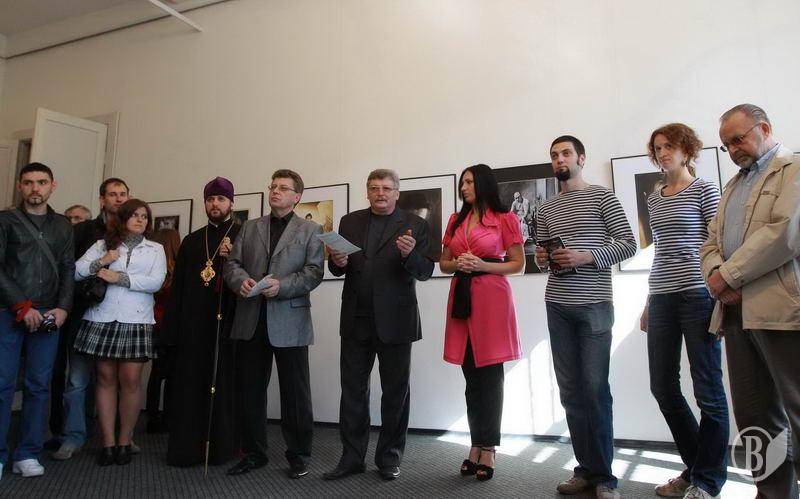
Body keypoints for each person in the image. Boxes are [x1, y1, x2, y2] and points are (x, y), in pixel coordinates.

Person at [700, 104, 800, 498]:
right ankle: (772, 493)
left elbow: (784, 234)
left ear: (765, 128)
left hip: (781, 311)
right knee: (755, 418)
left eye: (738, 139)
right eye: (726, 145)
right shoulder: (733, 185)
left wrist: (727, 276)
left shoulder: (793, 169)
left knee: (797, 410)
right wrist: (715, 274)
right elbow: (711, 240)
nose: (732, 150)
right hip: (735, 313)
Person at [534, 136, 636, 499]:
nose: (559, 159)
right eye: (554, 155)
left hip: (594, 305)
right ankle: (585, 470)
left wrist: (585, 256)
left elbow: (628, 243)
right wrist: (542, 259)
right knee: (570, 392)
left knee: (595, 391)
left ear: (581, 158)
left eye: (565, 153)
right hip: (557, 305)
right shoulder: (546, 208)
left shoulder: (602, 197)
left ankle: (605, 477)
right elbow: (542, 256)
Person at [322, 169, 434, 481]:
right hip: (355, 319)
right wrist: (337, 262)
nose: (380, 193)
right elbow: (338, 267)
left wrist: (410, 255)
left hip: (396, 321)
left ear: (397, 193)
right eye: (374, 188)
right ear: (367, 192)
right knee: (352, 392)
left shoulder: (415, 224)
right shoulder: (349, 222)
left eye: (386, 188)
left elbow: (425, 271)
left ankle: (389, 458)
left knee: (395, 393)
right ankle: (351, 458)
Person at [638, 124, 727, 499]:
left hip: (697, 295)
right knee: (662, 387)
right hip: (661, 296)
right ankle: (697, 469)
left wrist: (720, 290)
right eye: (657, 148)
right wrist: (648, 301)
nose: (662, 153)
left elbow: (719, 243)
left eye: (669, 146)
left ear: (687, 150)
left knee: (707, 390)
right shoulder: (655, 198)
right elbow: (660, 251)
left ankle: (707, 481)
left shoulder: (705, 189)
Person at [224, 170, 324, 479]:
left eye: (283, 188)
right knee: (251, 391)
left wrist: (282, 286)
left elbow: (314, 272)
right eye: (273, 186)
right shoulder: (249, 227)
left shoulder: (311, 229)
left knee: (295, 393)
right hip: (251, 319)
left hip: (290, 319)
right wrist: (240, 281)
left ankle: (299, 455)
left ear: (297, 197)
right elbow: (232, 264)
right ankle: (254, 453)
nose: (275, 191)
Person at [440, 164, 524, 481]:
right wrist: (458, 264)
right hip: (461, 297)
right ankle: (476, 443)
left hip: (492, 299)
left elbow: (517, 264)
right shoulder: (455, 220)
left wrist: (482, 265)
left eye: (469, 182)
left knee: (490, 377)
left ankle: (488, 447)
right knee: (471, 377)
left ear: (484, 184)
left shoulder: (505, 218)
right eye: (462, 183)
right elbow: (444, 262)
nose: (463, 188)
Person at [73, 198, 166, 466]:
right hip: (102, 317)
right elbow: (76, 271)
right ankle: (108, 443)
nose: (140, 220)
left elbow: (156, 282)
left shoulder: (156, 248)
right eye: (135, 215)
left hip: (136, 319)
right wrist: (103, 261)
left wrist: (119, 278)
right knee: (105, 379)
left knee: (131, 380)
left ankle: (125, 441)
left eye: (144, 216)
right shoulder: (103, 244)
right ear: (123, 218)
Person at [0, 163, 74, 479]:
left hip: (48, 314)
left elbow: (68, 268)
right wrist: (21, 306)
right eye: (29, 182)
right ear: (20, 186)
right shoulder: (5, 221)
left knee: (39, 387)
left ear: (52, 186)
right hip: (8, 312)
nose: (35, 188)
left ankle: (27, 453)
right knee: (2, 385)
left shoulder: (62, 225)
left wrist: (63, 308)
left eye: (41, 182)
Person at [49, 177, 131, 460]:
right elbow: (68, 270)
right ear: (102, 200)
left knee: (117, 380)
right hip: (83, 312)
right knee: (78, 379)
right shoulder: (83, 230)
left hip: (121, 316)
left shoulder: (137, 231)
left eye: (123, 194)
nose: (118, 198)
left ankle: (119, 438)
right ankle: (73, 436)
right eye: (112, 194)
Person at [164, 177, 241, 467]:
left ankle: (223, 450)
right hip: (193, 325)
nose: (215, 204)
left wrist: (233, 259)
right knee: (190, 384)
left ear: (231, 203)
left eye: (221, 199)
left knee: (225, 385)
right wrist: (172, 329)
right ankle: (187, 449)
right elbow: (178, 288)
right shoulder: (192, 240)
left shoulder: (243, 235)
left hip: (228, 324)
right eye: (210, 199)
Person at [144, 227, 181, 434]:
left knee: (156, 374)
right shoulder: (179, 270)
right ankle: (168, 417)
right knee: (172, 375)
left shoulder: (151, 267)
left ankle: (152, 417)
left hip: (153, 324)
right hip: (173, 326)